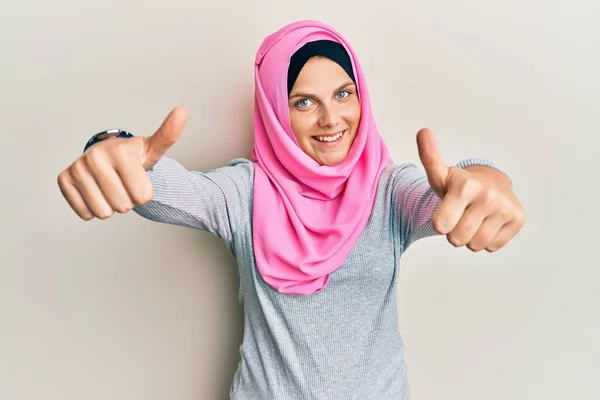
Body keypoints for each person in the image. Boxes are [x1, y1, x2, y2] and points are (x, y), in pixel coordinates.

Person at [57, 20, 524, 400]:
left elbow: (450, 191)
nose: (331, 119)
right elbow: (162, 187)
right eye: (304, 102)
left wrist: (490, 179)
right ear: (276, 113)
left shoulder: (389, 191)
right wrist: (110, 149)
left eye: (344, 93)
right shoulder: (247, 193)